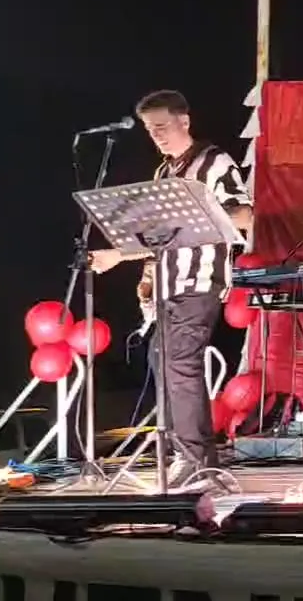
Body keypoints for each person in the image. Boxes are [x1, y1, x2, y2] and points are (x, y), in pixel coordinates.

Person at [90, 90, 252, 486]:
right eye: (150, 129)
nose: (157, 135)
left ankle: (196, 459)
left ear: (185, 121)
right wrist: (132, 264)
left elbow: (246, 214)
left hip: (199, 280)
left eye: (162, 126)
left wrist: (202, 213)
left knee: (181, 363)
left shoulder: (213, 162)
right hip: (167, 283)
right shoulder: (164, 173)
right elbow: (161, 237)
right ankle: (189, 454)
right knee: (162, 360)